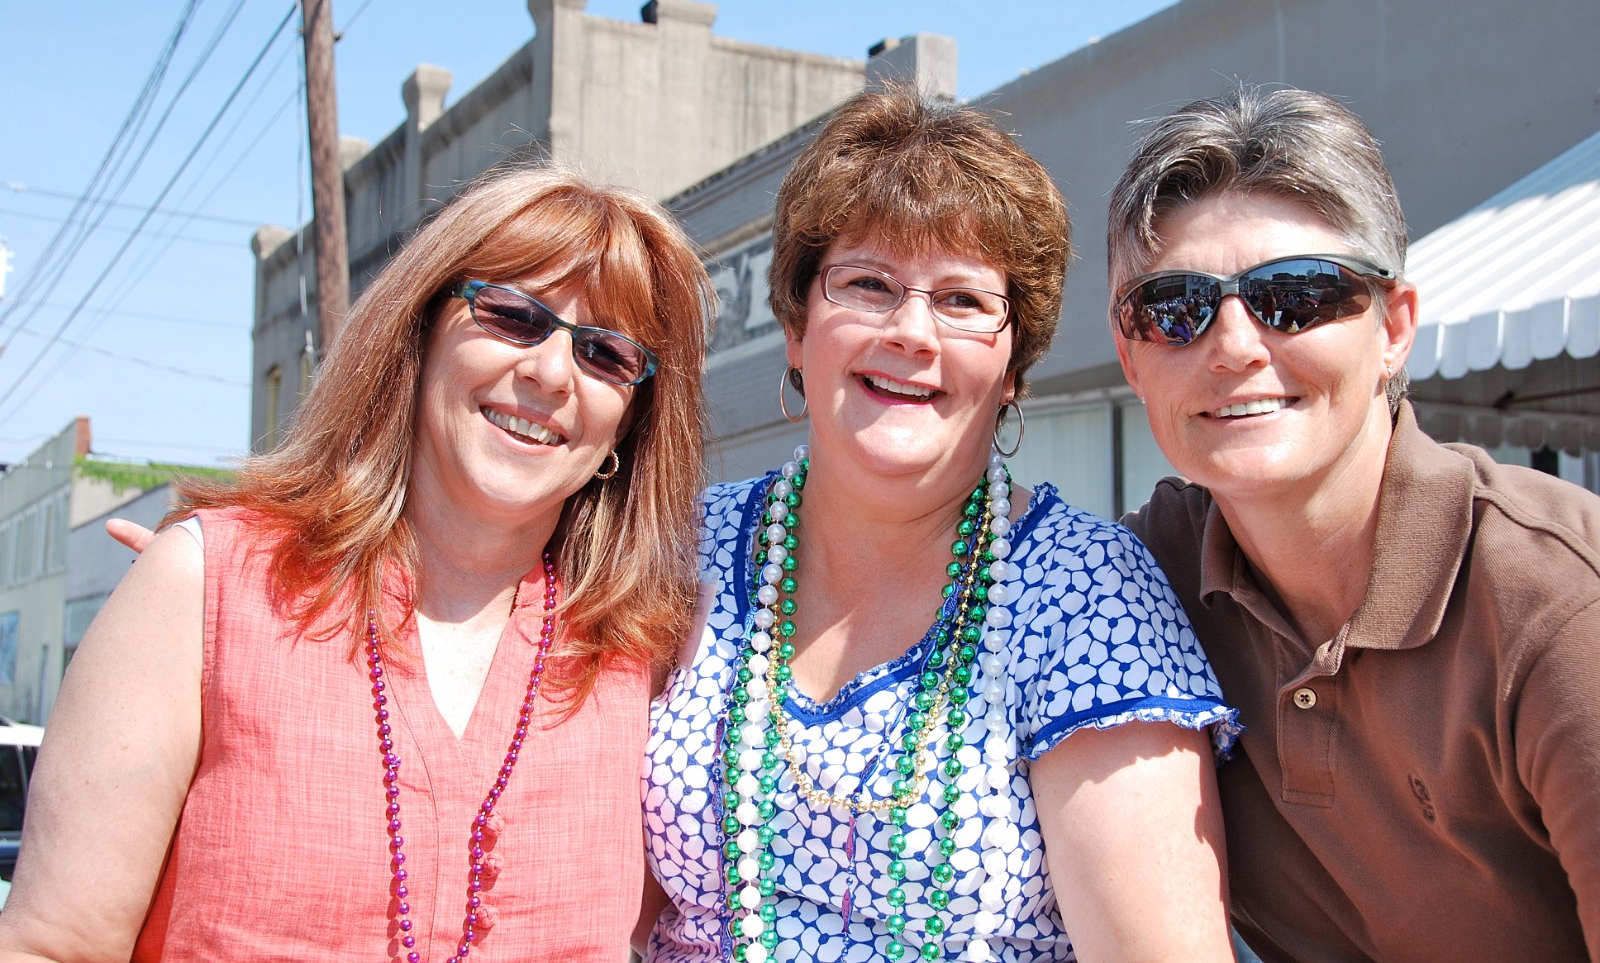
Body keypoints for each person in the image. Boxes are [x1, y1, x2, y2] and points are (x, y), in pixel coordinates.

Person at [0, 165, 714, 961]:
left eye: (605, 353)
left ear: (629, 423)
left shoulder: (647, 671)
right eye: (512, 315)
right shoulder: (203, 589)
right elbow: (52, 944)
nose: (550, 372)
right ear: (418, 333)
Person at [639, 86, 1241, 963]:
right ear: (796, 330)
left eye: (962, 301)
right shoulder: (683, 550)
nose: (912, 330)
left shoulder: (1084, 596)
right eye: (868, 284)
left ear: (1012, 369)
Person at [1107, 86, 1600, 962]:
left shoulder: (1553, 598)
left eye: (1294, 295)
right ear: (1130, 356)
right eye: (1176, 306)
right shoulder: (1137, 580)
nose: (1232, 345)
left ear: (1396, 327)